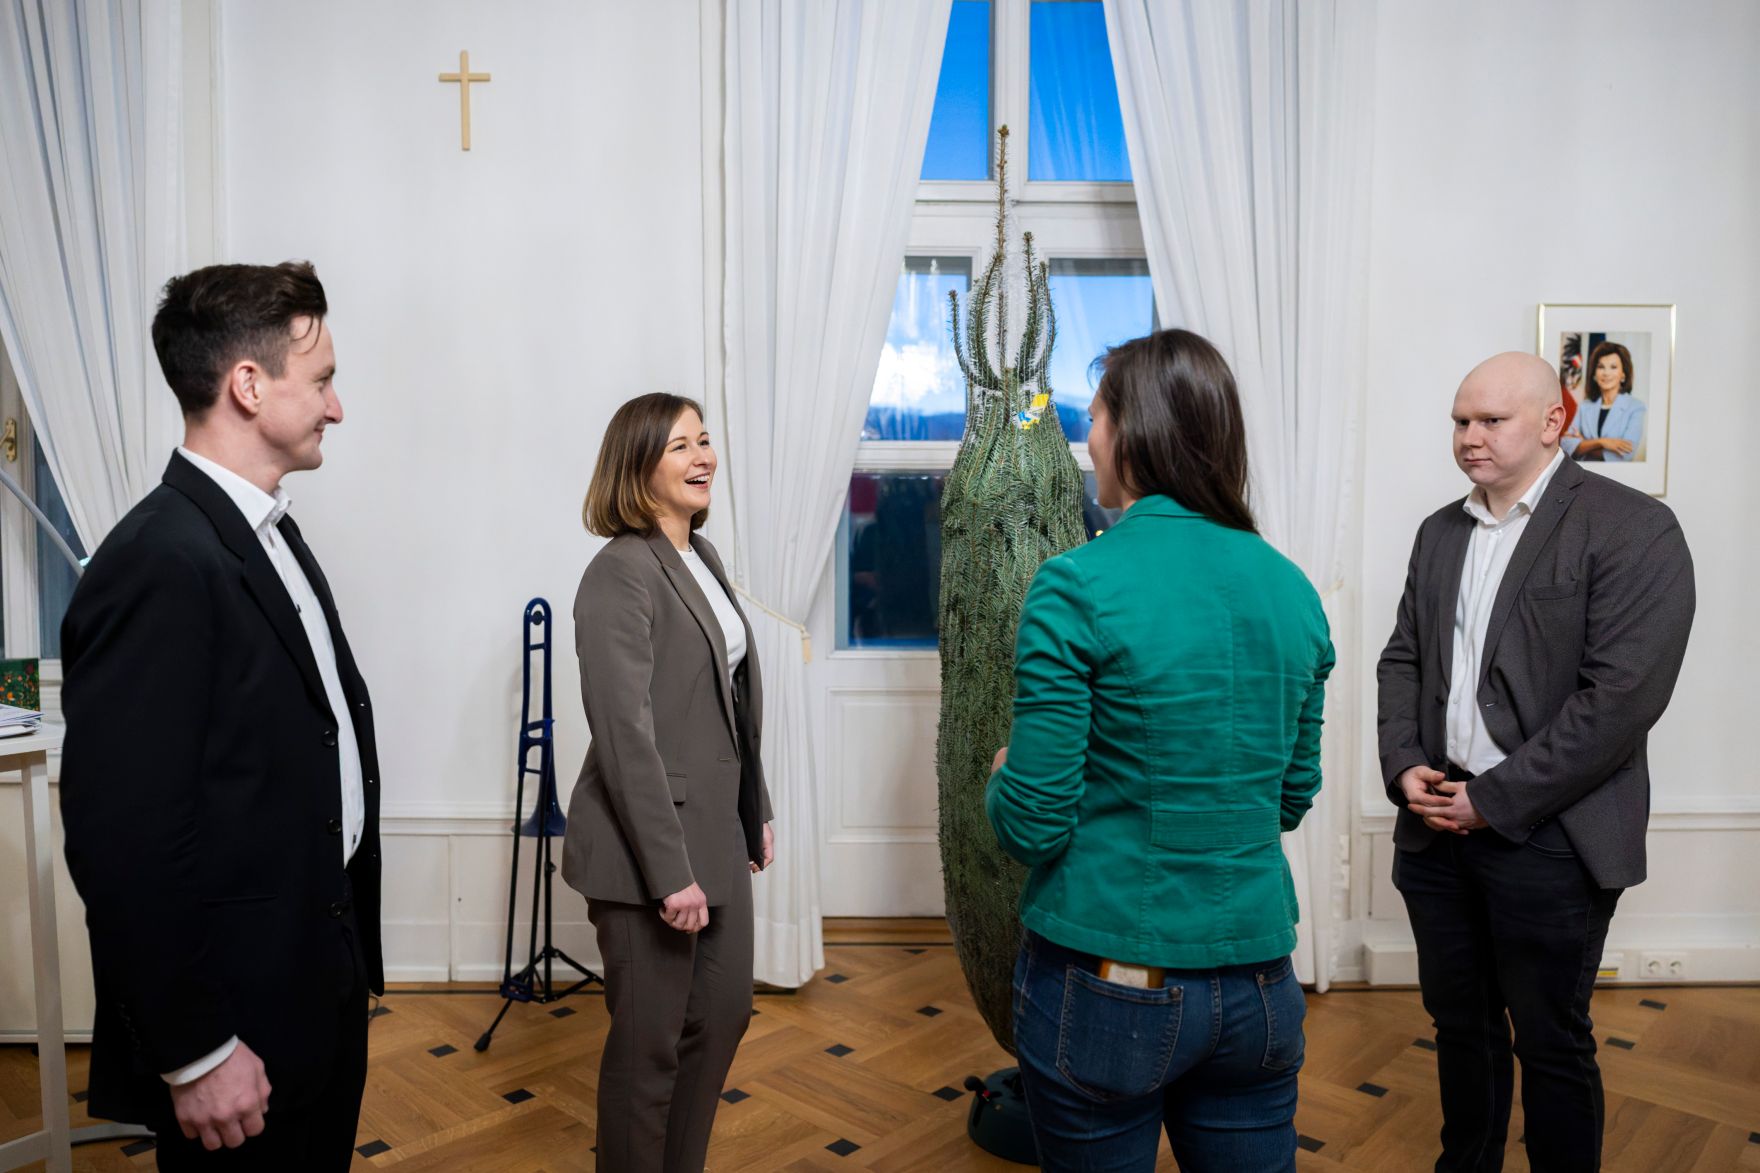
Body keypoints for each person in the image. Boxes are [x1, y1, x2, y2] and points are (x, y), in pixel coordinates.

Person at [986, 329, 1335, 1172]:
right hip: (1258, 984)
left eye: (1096, 416)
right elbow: (1290, 795)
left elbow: (1031, 824)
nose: (1089, 437)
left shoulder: (1078, 583)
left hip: (1111, 981)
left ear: (1133, 432)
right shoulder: (1293, 589)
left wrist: (1002, 776)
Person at [59, 262, 382, 1169]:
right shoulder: (158, 559)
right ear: (249, 384)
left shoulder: (263, 531)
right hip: (234, 1029)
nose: (337, 406)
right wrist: (195, 1050)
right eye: (320, 381)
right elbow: (126, 838)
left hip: (307, 989)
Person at [1377, 351, 1694, 1171]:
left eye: (1491, 420)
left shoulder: (1634, 528)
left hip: (1554, 834)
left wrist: (1496, 799)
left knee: (1552, 1039)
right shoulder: (1440, 530)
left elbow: (1619, 701)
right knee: (1461, 1026)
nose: (1469, 437)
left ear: (1555, 421)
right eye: (1459, 420)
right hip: (1437, 824)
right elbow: (1403, 659)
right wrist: (1405, 759)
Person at [560, 393, 774, 1173]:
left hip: (717, 833)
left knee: (723, 1017)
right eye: (680, 445)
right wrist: (668, 870)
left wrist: (759, 807)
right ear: (637, 465)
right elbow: (625, 735)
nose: (702, 456)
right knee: (648, 1052)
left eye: (705, 440)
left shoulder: (701, 558)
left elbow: (728, 700)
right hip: (646, 852)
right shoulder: (619, 572)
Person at [1561, 340, 1646, 462]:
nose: (1606, 373)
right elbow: (1567, 446)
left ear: (1623, 374)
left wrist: (1584, 443)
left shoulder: (1636, 407)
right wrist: (1603, 442)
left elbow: (1624, 455)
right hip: (1586, 475)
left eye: (1613, 367)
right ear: (1594, 374)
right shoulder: (1585, 406)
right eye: (1601, 367)